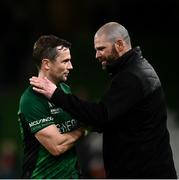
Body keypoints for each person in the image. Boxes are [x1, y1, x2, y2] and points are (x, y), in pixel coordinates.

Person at [30, 22, 177, 178]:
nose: (97, 55)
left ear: (119, 44)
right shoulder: (138, 69)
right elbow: (111, 118)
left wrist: (55, 94)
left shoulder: (132, 76)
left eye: (101, 49)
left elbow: (101, 116)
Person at [18, 35, 85, 179]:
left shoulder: (65, 90)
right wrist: (84, 130)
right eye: (65, 61)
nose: (71, 66)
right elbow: (57, 147)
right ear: (47, 64)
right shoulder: (30, 99)